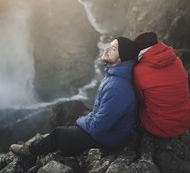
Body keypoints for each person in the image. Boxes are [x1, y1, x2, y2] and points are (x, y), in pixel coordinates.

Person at [9, 37, 140, 157]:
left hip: (109, 139)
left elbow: (99, 128)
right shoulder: (115, 78)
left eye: (113, 49)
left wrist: (80, 121)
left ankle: (29, 152)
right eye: (109, 46)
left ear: (122, 58)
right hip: (110, 133)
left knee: (59, 134)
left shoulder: (117, 87)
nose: (106, 49)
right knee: (70, 131)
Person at [133, 31, 190, 162]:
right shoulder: (177, 60)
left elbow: (140, 99)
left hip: (159, 129)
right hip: (184, 121)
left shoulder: (139, 71)